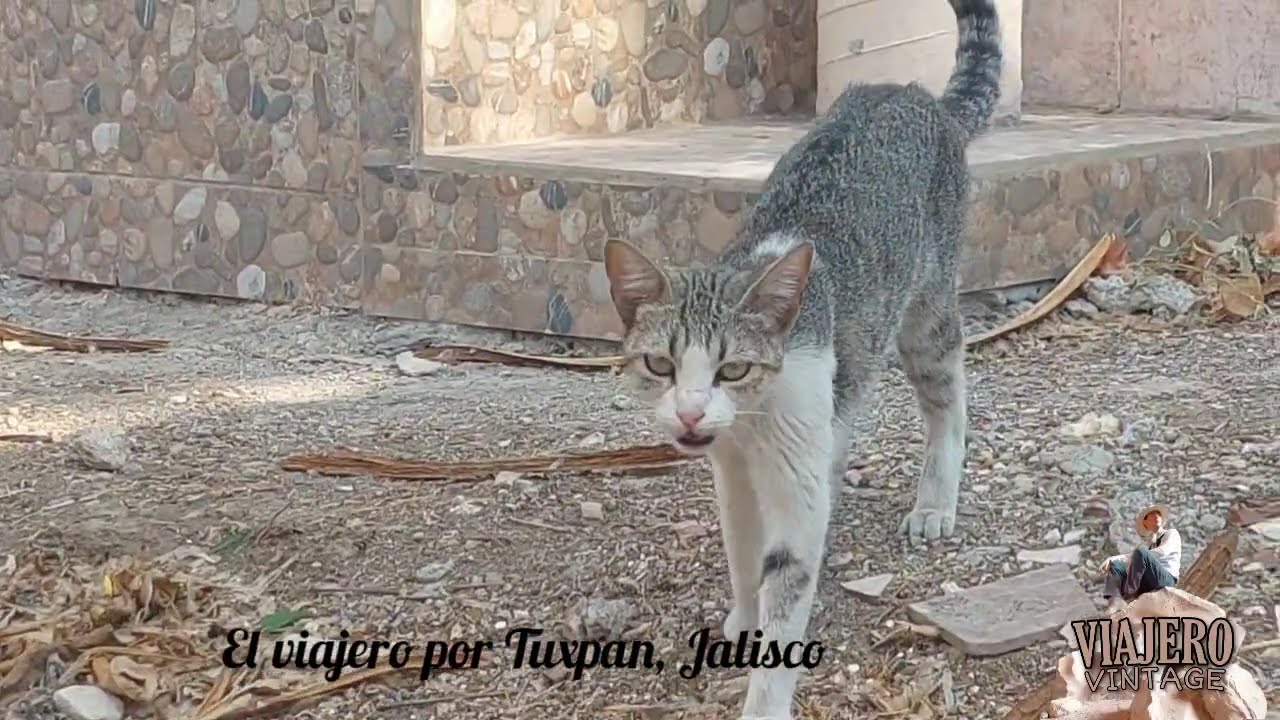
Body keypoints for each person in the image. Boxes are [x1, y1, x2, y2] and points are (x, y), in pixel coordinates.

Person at [1100, 504, 1181, 611]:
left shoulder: (1171, 533)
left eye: (1158, 514)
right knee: (1115, 565)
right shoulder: (1150, 546)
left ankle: (1130, 595)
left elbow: (1162, 552)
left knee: (1140, 551)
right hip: (1149, 580)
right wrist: (1114, 559)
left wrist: (1136, 555)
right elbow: (1137, 558)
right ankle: (1115, 600)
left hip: (1166, 578)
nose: (1156, 516)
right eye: (1151, 514)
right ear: (1145, 522)